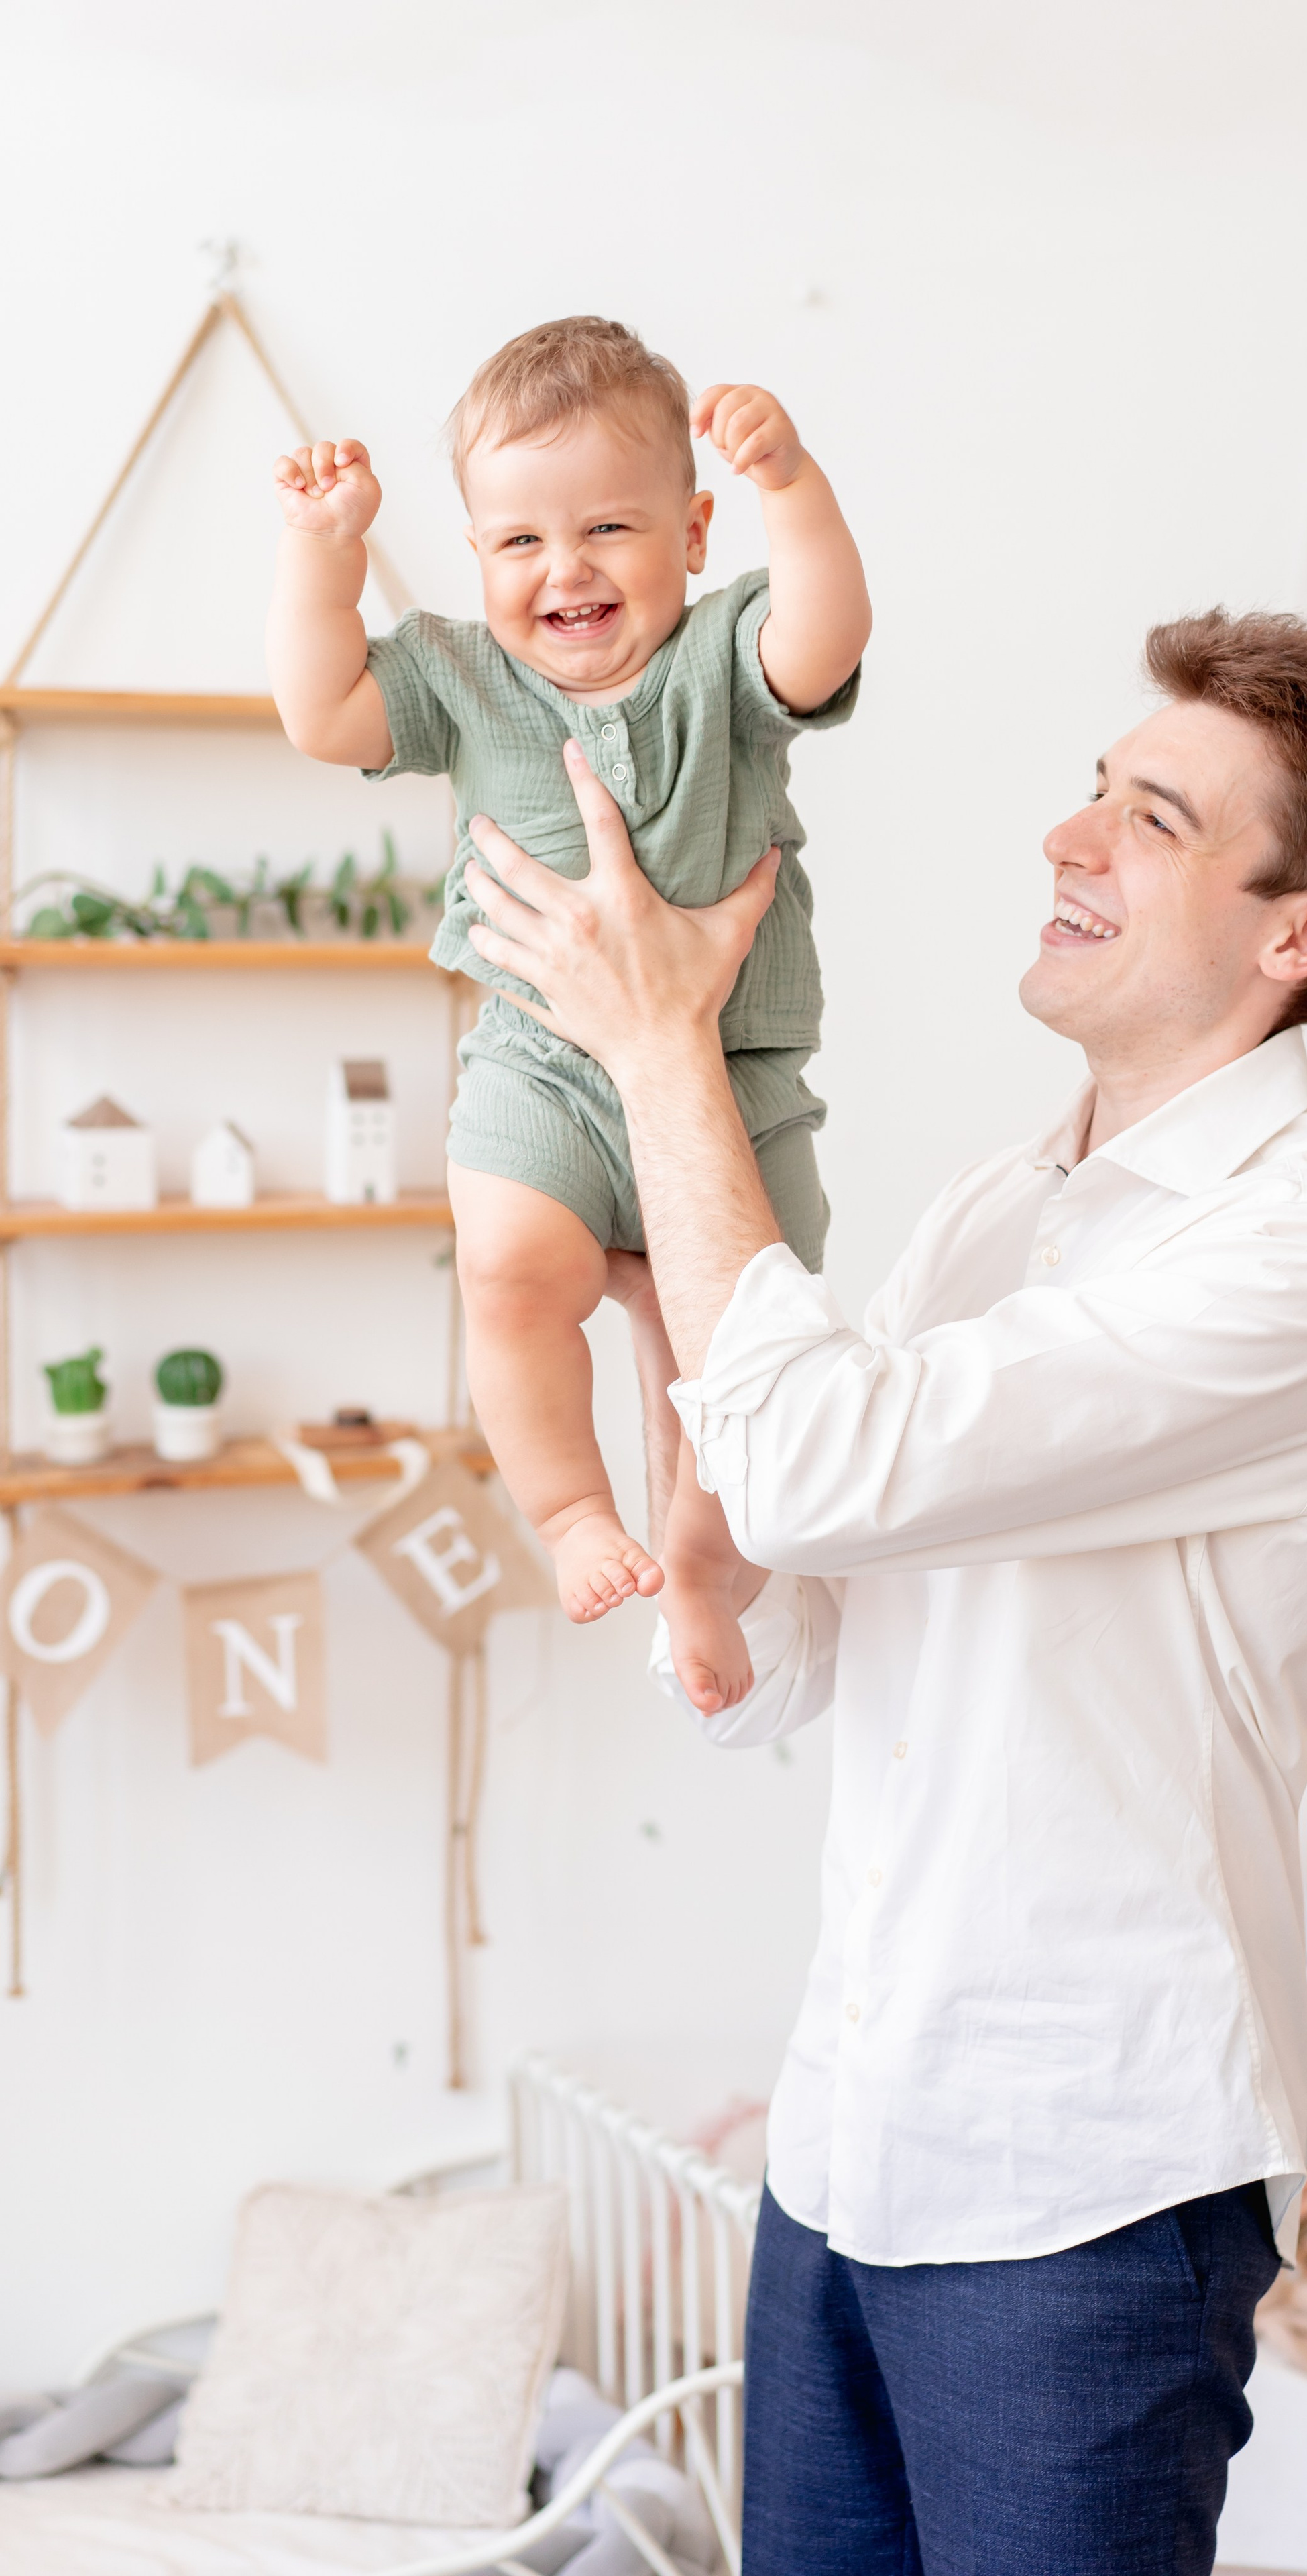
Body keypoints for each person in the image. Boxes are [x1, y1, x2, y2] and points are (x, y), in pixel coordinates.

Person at [454, 608, 1307, 2573]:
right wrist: (707, 1568)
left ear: (1300, 936)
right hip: (854, 2139)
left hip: (1085, 2178)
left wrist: (664, 1040)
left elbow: (829, 1459)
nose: (1068, 839)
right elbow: (807, 1628)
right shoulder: (997, 1209)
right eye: (1096, 789)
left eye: (1153, 817)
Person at [264, 315, 869, 1715]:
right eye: (518, 542)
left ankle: (707, 1569)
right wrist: (324, 556)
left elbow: (825, 629)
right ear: (476, 556)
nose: (566, 569)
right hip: (537, 1064)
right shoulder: (454, 677)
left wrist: (797, 484)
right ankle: (569, 1515)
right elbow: (319, 711)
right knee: (507, 1277)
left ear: (694, 531)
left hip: (740, 1081)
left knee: (740, 1359)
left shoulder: (724, 658)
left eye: (608, 526)